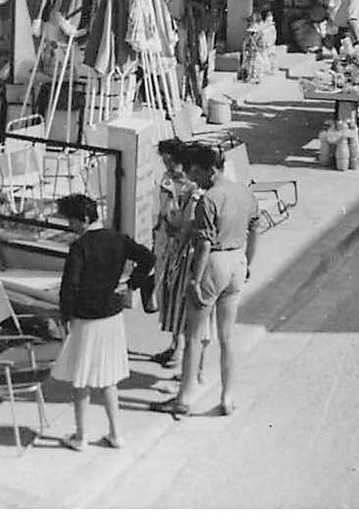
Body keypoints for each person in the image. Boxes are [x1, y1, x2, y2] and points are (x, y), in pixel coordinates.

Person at [53, 193, 154, 449]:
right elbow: (148, 258)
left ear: (84, 219)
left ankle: (81, 435)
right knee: (109, 376)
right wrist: (131, 285)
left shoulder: (80, 246)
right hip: (111, 314)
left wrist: (64, 317)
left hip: (85, 318)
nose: (69, 226)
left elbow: (69, 287)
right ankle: (116, 433)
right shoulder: (117, 238)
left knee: (81, 377)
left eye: (72, 221)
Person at [165, 143, 258, 418]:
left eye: (196, 172)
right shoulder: (245, 192)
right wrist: (248, 262)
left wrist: (195, 279)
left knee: (193, 336)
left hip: (213, 263)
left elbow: (204, 244)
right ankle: (227, 397)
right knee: (227, 337)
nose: (194, 178)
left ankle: (185, 398)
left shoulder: (210, 198)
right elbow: (255, 231)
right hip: (238, 261)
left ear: (211, 169)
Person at [150, 138, 202, 369]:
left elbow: (188, 222)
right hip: (165, 244)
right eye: (165, 161)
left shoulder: (192, 188)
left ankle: (179, 350)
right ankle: (173, 343)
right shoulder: (167, 180)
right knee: (166, 296)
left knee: (179, 299)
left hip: (181, 249)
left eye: (171, 161)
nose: (168, 166)